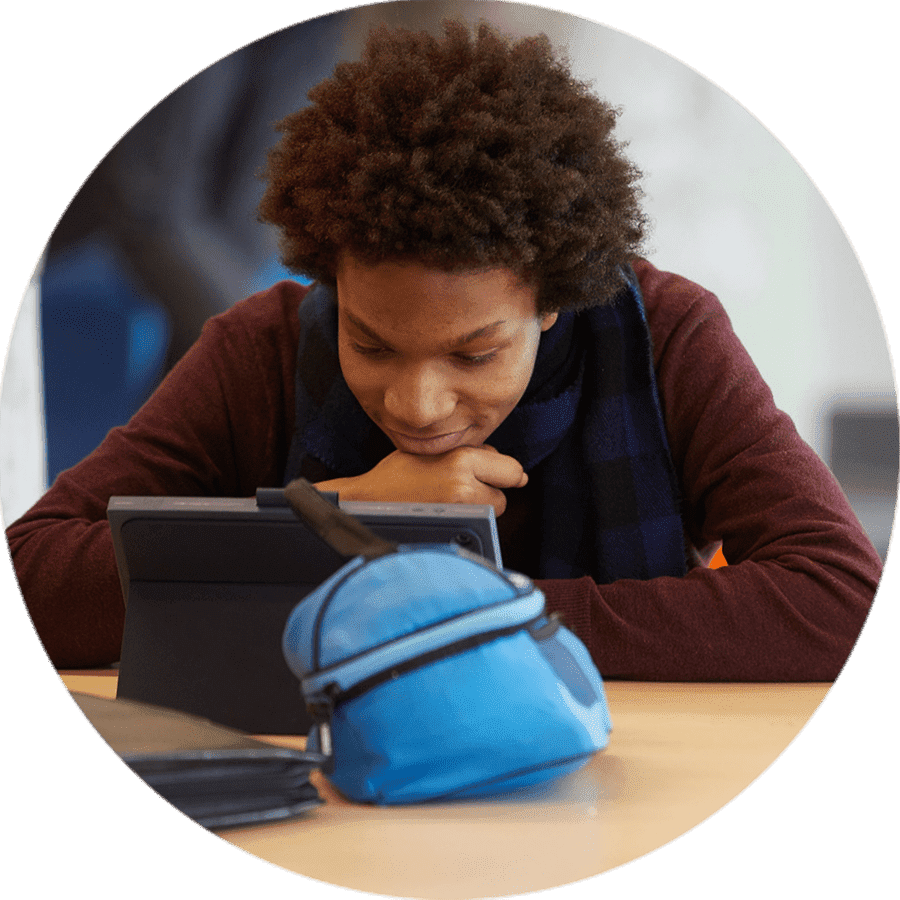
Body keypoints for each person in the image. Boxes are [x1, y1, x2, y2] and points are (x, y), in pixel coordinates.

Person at [6, 21, 882, 680]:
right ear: (330, 283)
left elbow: (842, 601)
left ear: (551, 302)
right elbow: (32, 583)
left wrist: (452, 614)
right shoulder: (261, 345)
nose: (417, 404)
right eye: (371, 343)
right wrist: (339, 520)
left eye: (474, 354)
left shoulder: (668, 336)